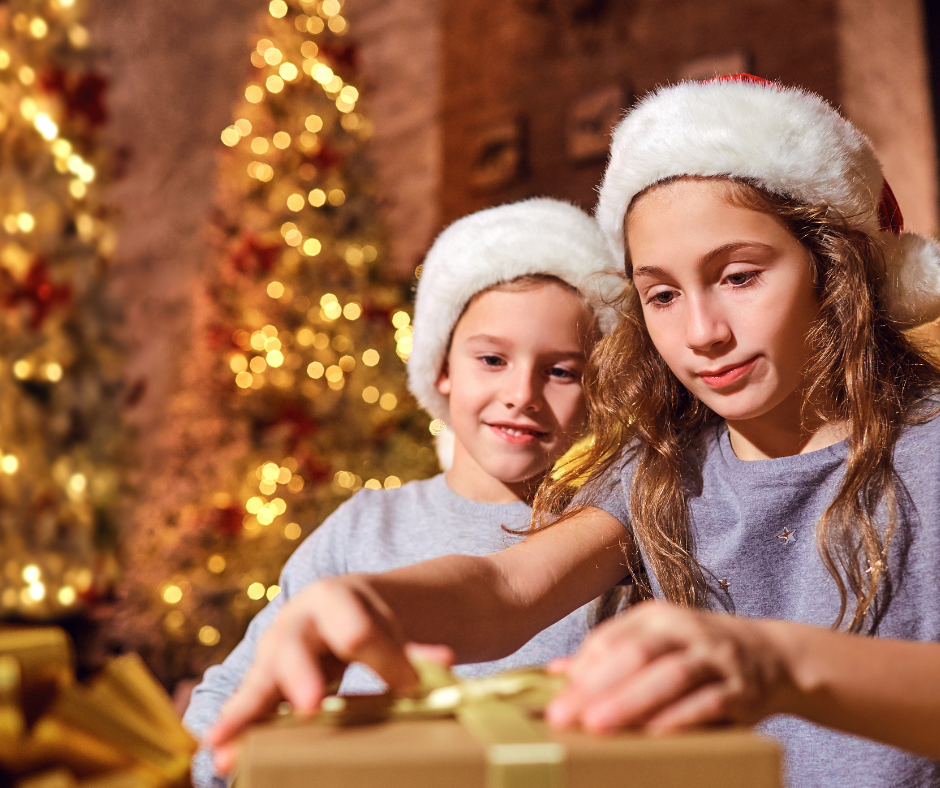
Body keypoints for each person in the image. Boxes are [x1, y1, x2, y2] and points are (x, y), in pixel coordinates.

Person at [208, 77, 940, 788]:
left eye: (740, 276)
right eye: (662, 294)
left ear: (837, 271)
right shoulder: (664, 470)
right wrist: (377, 600)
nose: (701, 333)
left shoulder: (928, 450)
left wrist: (779, 665)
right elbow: (504, 586)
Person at [183, 197, 625, 786]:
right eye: (492, 359)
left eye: (562, 371)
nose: (523, 392)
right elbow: (234, 689)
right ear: (442, 367)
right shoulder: (363, 526)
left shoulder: (602, 538)